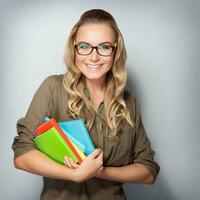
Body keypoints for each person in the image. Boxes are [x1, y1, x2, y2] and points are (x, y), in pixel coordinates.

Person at [12, 9, 160, 200]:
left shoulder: (128, 102)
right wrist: (75, 175)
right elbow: (22, 156)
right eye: (84, 46)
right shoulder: (52, 88)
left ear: (116, 51)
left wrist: (99, 171)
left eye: (104, 47)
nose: (93, 57)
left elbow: (148, 171)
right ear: (74, 48)